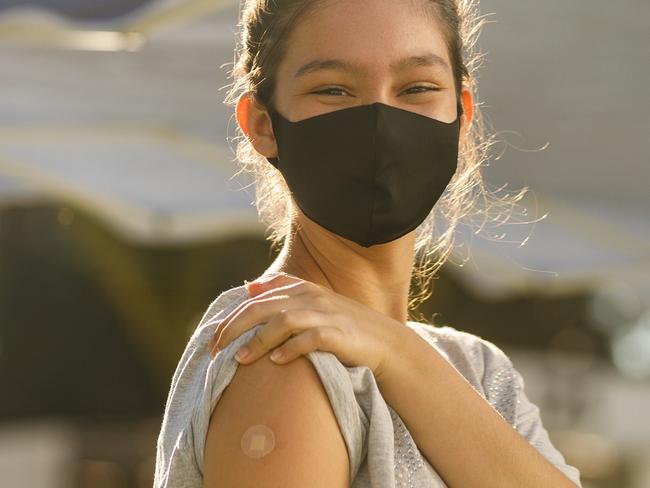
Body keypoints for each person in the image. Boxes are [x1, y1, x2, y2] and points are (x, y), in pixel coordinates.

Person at [153, 0, 583, 486]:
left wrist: (398, 353)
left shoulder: (480, 370)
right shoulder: (283, 348)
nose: (380, 119)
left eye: (418, 88)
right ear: (263, 125)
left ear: (461, 115)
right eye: (332, 89)